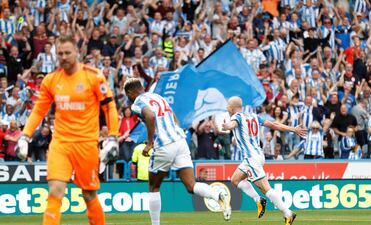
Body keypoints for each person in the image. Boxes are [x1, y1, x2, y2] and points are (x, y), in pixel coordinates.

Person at [14, 35, 119, 225]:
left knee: (89, 194)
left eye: (67, 53)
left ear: (77, 52)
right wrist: (25, 136)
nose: (63, 57)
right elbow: (39, 110)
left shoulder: (94, 76)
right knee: (55, 191)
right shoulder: (51, 80)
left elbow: (109, 107)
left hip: (86, 144)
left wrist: (113, 137)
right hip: (60, 143)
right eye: (60, 53)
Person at [124, 78, 231, 225]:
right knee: (191, 185)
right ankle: (217, 195)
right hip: (180, 141)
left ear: (130, 92)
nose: (128, 99)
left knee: (154, 187)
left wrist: (150, 143)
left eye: (127, 96)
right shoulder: (158, 97)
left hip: (164, 145)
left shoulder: (137, 103)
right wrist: (173, 132)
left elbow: (150, 116)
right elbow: (173, 116)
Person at [222, 96, 307, 224]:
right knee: (235, 180)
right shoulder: (253, 116)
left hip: (252, 158)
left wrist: (227, 126)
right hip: (257, 156)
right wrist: (293, 129)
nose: (227, 108)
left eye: (228, 105)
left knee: (265, 188)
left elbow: (232, 124)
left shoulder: (236, 117)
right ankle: (258, 200)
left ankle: (288, 213)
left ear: (232, 108)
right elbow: (274, 124)